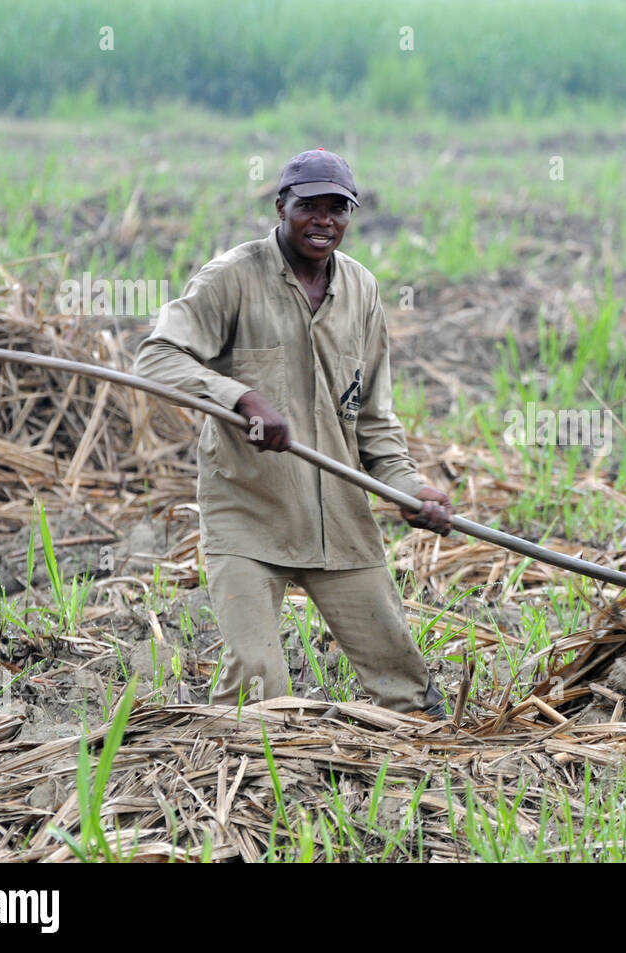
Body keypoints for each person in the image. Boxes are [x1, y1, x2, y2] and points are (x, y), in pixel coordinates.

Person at [134, 148, 453, 715]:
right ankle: (241, 787)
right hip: (250, 513)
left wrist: (410, 488)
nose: (323, 220)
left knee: (407, 688)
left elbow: (374, 417)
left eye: (338, 208)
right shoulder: (231, 278)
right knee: (257, 687)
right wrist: (241, 396)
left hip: (340, 516)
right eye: (309, 206)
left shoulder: (361, 290)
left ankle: (416, 789)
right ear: (281, 205)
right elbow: (156, 357)